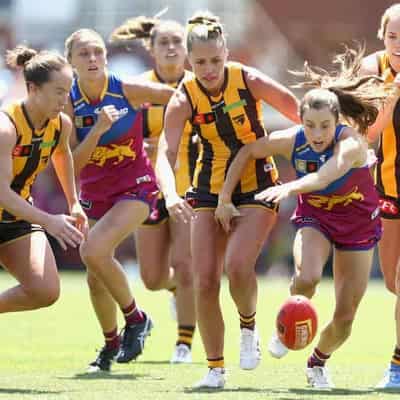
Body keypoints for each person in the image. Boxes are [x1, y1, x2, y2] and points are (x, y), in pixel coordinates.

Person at [216, 46, 387, 389]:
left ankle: (317, 363)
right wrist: (223, 197)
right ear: (301, 121)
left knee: (346, 316)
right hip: (317, 220)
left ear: (337, 121)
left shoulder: (350, 144)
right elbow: (249, 151)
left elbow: (325, 176)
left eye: (325, 125)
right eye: (310, 125)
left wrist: (290, 187)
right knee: (307, 278)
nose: (317, 133)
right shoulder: (292, 140)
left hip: (358, 226)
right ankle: (287, 321)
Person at [156, 11, 299, 388]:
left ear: (226, 53)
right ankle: (215, 369)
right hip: (206, 188)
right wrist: (170, 193)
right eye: (200, 62)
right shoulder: (183, 97)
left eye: (215, 60)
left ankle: (248, 326)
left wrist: (321, 153)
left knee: (237, 266)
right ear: (189, 62)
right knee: (204, 280)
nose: (208, 69)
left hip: (258, 185)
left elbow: (302, 116)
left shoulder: (248, 80)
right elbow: (164, 154)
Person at [64, 28, 175, 373]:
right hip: (95, 193)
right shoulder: (67, 103)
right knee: (95, 275)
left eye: (97, 51)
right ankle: (111, 345)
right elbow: (71, 163)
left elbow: (179, 98)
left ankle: (137, 319)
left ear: (106, 56)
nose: (93, 58)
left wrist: (167, 137)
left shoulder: (125, 88)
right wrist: (96, 130)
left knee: (92, 250)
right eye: (84, 54)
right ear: (71, 62)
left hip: (136, 187)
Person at [110, 15, 197, 364]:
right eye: (164, 42)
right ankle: (176, 290)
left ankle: (184, 344)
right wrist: (140, 148)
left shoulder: (200, 85)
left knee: (185, 263)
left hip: (193, 187)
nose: (172, 48)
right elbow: (119, 138)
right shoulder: (136, 89)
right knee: (151, 278)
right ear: (151, 49)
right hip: (147, 189)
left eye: (178, 41)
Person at [0, 46, 87, 318]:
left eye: (68, 91)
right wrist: (49, 220)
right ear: (33, 89)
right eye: (58, 91)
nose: (65, 99)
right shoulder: (6, 128)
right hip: (10, 204)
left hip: (16, 217)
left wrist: (74, 203)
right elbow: (1, 193)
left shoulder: (61, 124)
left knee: (45, 290)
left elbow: (62, 154)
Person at [360, 4, 400, 389]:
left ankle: (397, 364)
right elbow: (371, 133)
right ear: (382, 36)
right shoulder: (372, 70)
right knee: (392, 283)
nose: (399, 44)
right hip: (388, 188)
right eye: (393, 36)